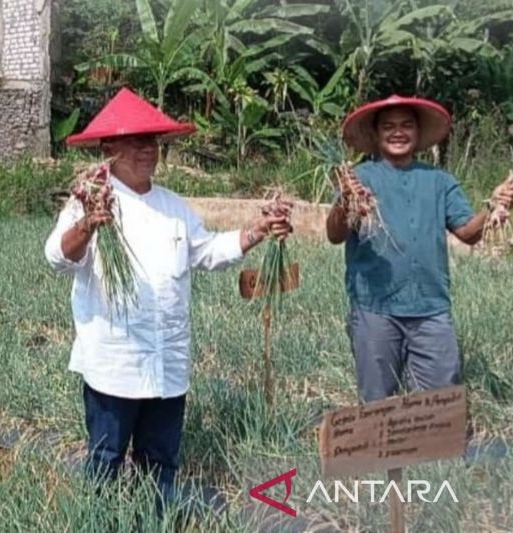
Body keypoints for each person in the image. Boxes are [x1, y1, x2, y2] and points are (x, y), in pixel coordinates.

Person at [44, 88, 292, 508]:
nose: (148, 150)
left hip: (167, 363)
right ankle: (100, 521)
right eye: (136, 141)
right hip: (114, 364)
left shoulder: (173, 207)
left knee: (159, 462)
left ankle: (153, 520)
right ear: (109, 149)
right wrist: (88, 223)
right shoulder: (90, 200)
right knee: (105, 459)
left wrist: (256, 231)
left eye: (153, 141)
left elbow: (208, 252)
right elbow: (56, 258)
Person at [326, 94, 513, 403]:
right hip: (375, 308)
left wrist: (493, 207)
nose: (398, 132)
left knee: (439, 406)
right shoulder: (358, 179)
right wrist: (346, 203)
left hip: (431, 308)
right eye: (389, 126)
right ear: (376, 134)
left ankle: (432, 453)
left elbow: (467, 232)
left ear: (418, 132)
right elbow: (334, 235)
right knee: (377, 405)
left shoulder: (440, 181)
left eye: (406, 125)